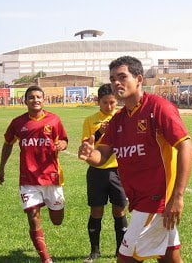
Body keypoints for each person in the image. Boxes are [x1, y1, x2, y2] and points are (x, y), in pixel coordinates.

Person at [78, 56, 192, 263]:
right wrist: (89, 155)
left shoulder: (158, 108)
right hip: (140, 200)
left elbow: (185, 146)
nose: (116, 83)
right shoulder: (119, 119)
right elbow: (102, 155)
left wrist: (178, 196)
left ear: (139, 79)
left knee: (126, 258)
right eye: (113, 78)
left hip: (157, 201)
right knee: (169, 257)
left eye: (122, 77)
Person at [0, 85, 68, 263]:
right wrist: (1, 168)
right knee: (33, 218)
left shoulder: (54, 120)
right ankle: (46, 259)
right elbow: (8, 144)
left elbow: (65, 140)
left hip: (51, 177)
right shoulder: (18, 123)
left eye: (38, 97)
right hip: (28, 178)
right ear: (25, 100)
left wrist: (62, 145)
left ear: (44, 100)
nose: (35, 100)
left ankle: (49, 205)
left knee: (57, 220)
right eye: (31, 97)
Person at [81, 84, 128, 262]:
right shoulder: (90, 120)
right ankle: (94, 251)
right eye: (105, 103)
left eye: (113, 102)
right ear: (98, 102)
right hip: (97, 171)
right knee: (96, 211)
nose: (109, 107)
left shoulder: (122, 117)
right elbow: (87, 145)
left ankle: (120, 250)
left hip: (119, 171)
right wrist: (101, 131)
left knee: (119, 210)